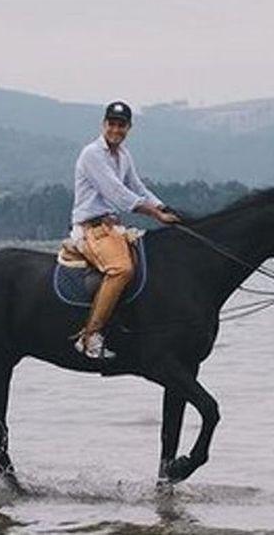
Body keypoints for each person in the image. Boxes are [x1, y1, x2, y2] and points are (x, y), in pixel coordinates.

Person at [70, 101, 180, 358]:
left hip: (113, 227)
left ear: (129, 127)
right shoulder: (92, 154)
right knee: (122, 269)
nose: (116, 129)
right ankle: (90, 336)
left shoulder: (123, 156)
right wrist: (155, 214)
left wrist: (163, 206)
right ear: (103, 124)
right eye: (112, 124)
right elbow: (119, 195)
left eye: (121, 125)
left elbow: (139, 188)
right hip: (91, 228)